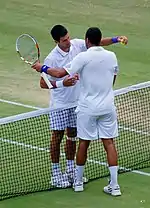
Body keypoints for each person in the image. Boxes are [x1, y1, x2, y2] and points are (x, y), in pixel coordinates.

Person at [34, 24, 128, 189]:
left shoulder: (77, 44)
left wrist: (115, 39)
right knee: (57, 137)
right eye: (64, 40)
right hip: (60, 104)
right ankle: (56, 173)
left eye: (68, 38)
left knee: (72, 137)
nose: (68, 42)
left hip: (77, 103)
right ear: (56, 41)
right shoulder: (51, 58)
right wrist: (62, 83)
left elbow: (98, 42)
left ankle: (71, 169)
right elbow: (43, 83)